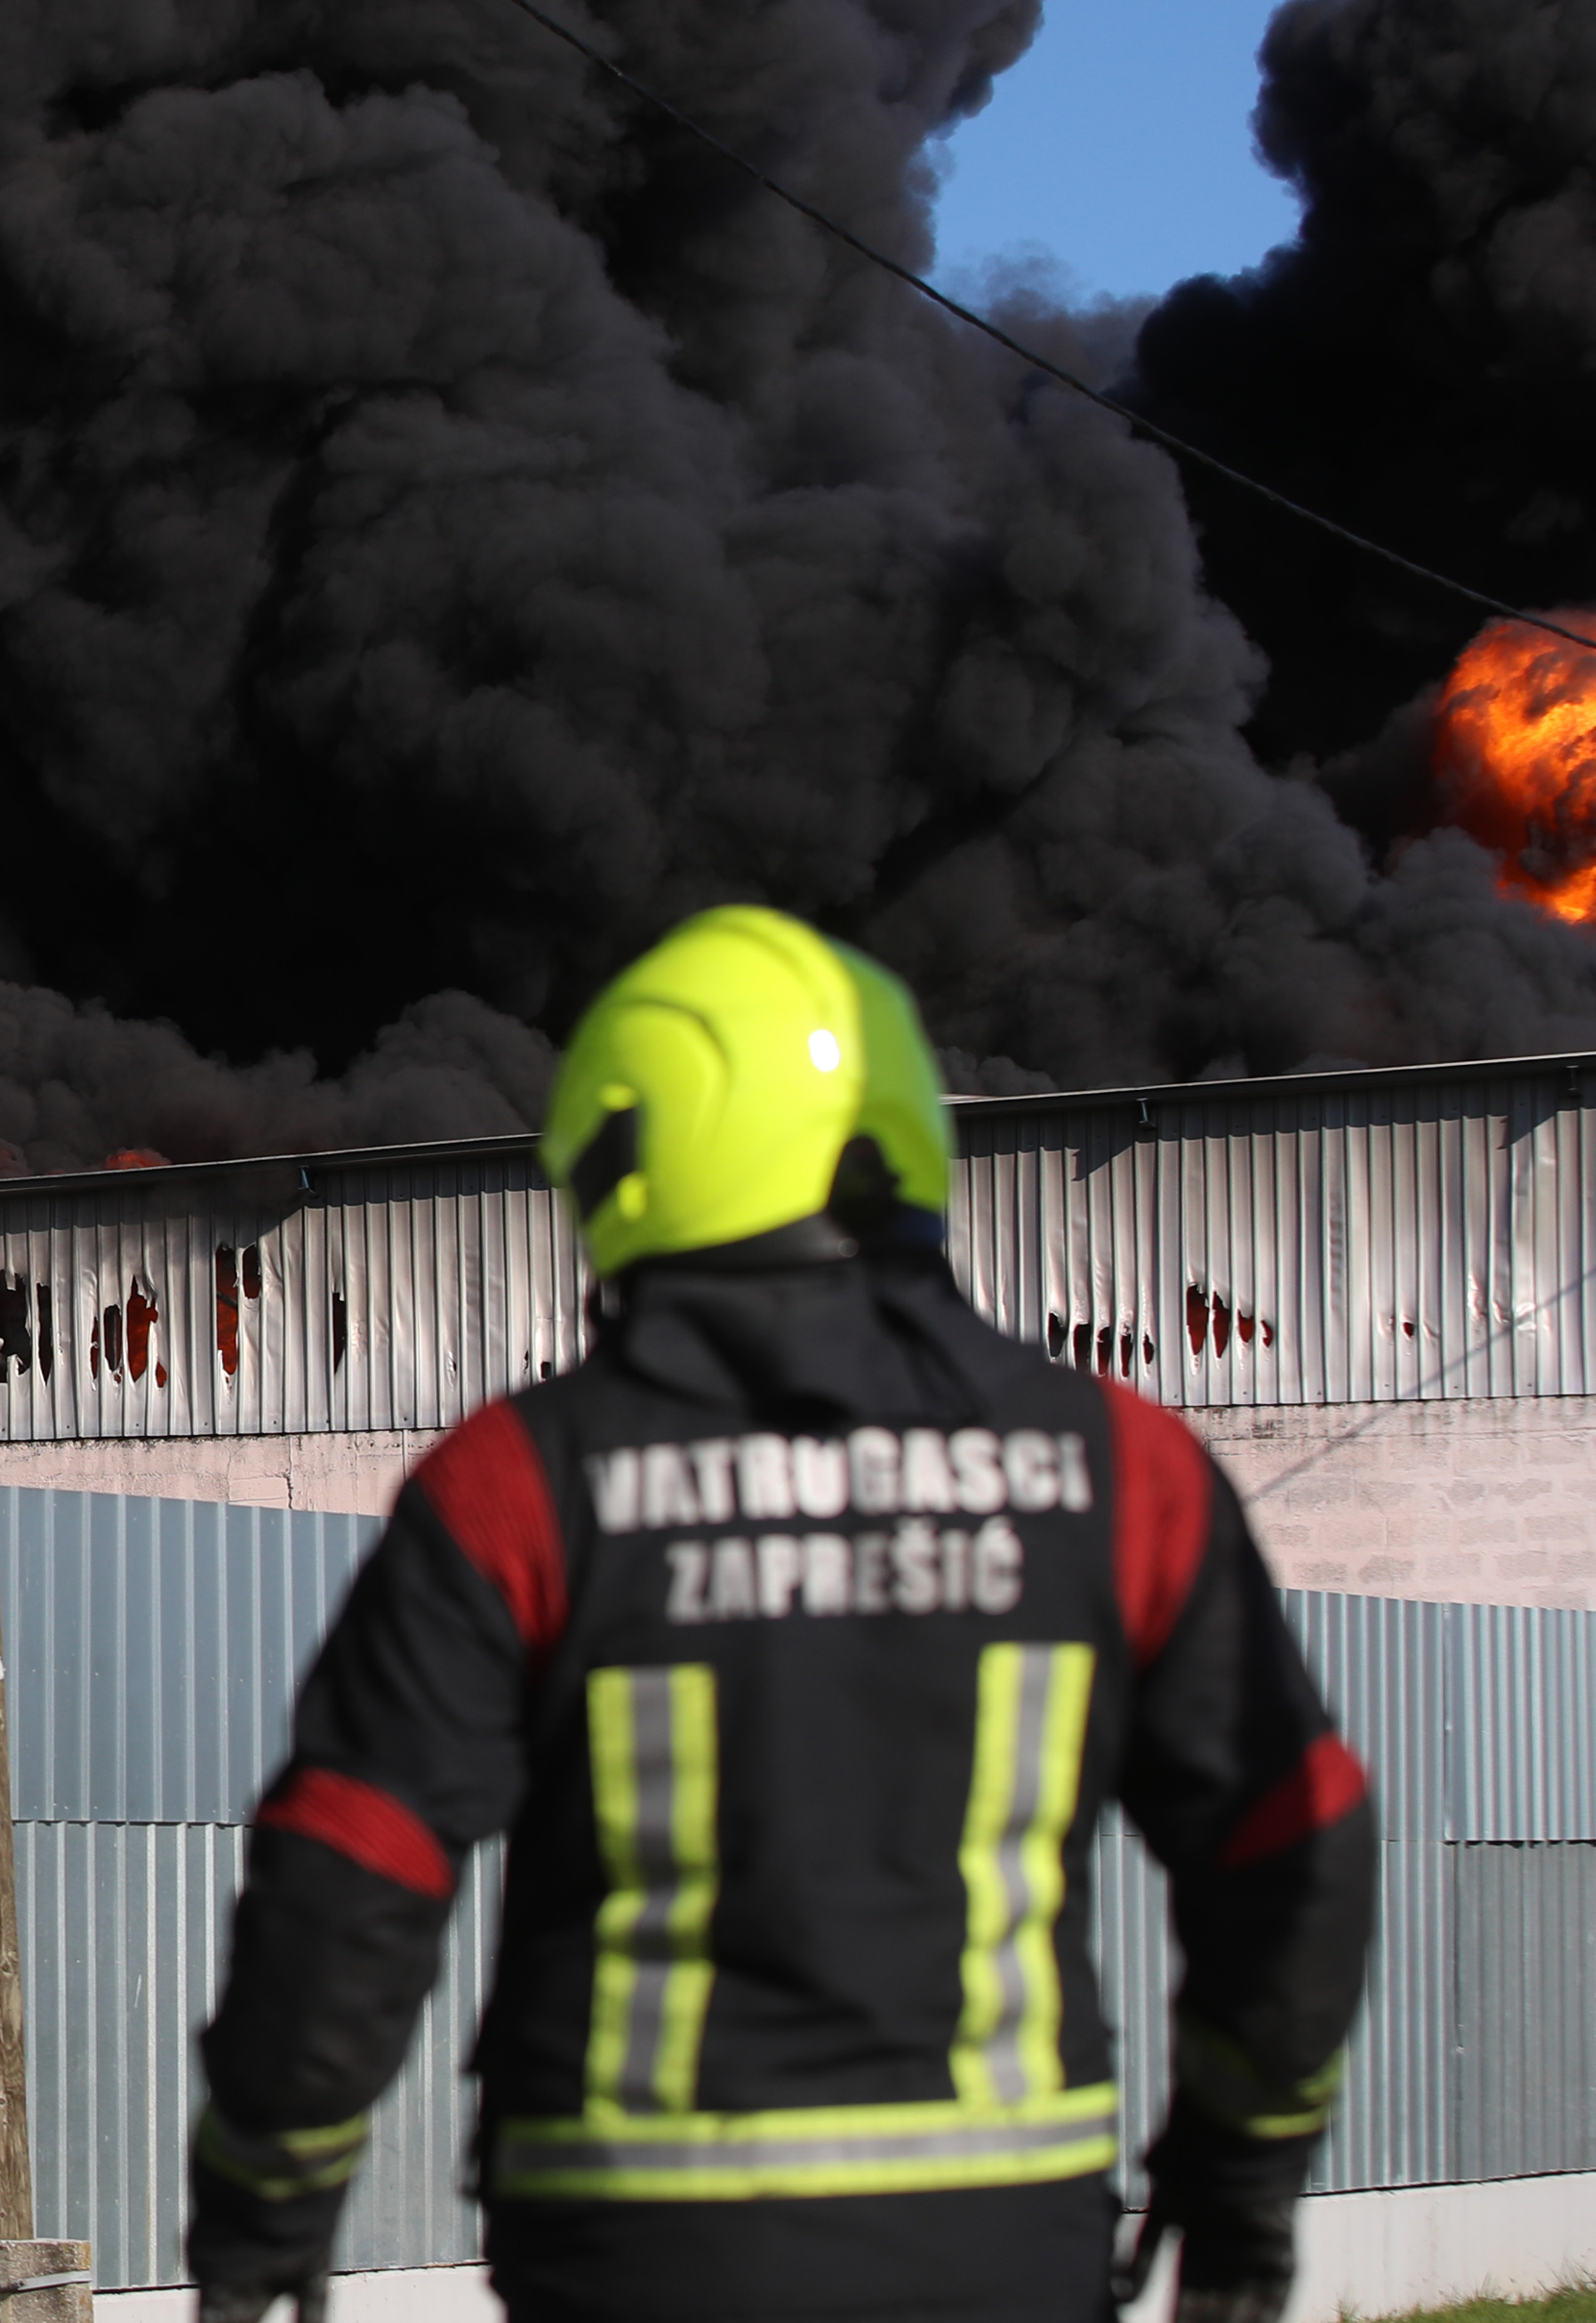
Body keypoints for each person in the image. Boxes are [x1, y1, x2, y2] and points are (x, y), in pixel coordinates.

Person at [185, 906, 1374, 2323]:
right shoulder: (1124, 1473)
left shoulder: (520, 1483)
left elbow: (352, 1868)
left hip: (641, 2256)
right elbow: (1296, 1834)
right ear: (894, 1135)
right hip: (1002, 2247)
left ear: (625, 1166)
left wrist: (265, 2214)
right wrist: (1240, 2182)